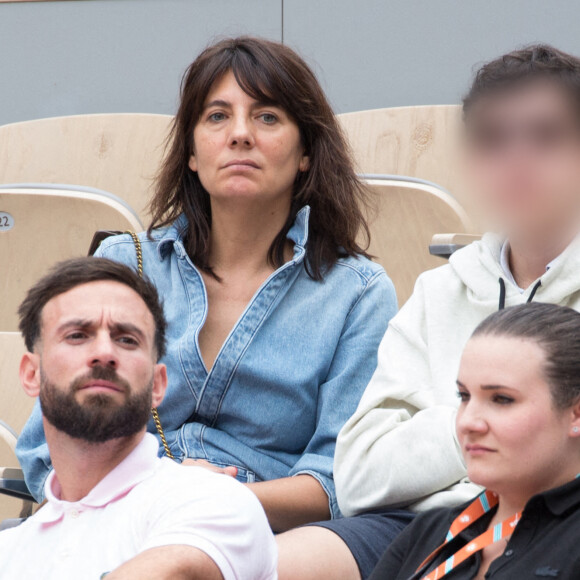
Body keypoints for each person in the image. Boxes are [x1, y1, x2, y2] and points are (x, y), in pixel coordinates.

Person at [17, 35, 396, 559]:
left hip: (270, 541)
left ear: (306, 152)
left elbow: (337, 480)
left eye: (267, 117)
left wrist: (210, 500)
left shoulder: (357, 293)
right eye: (217, 117)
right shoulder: (128, 265)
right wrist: (151, 494)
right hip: (112, 517)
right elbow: (43, 449)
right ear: (192, 153)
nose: (240, 134)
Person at [279, 44, 580, 579]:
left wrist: (437, 429)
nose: (516, 159)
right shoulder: (440, 291)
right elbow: (360, 476)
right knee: (267, 564)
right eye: (492, 139)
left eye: (545, 136)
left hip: (556, 523)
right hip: (420, 523)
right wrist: (491, 419)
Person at [0, 258, 277, 579]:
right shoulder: (8, 550)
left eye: (126, 340)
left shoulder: (214, 500)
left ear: (158, 384)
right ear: (32, 374)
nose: (104, 352)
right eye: (77, 335)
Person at [371, 302, 580, 579]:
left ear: (576, 415)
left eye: (502, 399)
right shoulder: (430, 532)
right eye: (464, 396)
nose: (468, 421)